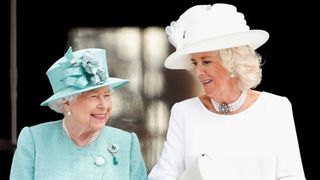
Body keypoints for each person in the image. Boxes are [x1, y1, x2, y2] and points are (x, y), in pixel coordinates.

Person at [148, 3, 306, 180]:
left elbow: (292, 176)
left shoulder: (276, 108)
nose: (198, 71)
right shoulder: (184, 112)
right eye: (194, 63)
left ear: (232, 62)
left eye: (206, 61)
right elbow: (163, 176)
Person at [10, 47, 148, 179]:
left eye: (107, 95)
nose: (104, 106)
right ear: (67, 102)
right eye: (93, 97)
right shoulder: (35, 140)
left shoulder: (126, 143)